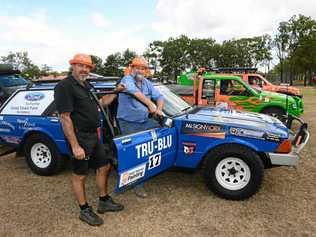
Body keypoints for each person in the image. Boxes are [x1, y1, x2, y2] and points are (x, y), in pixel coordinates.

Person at [54, 53, 124, 226]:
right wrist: (75, 145)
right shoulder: (64, 86)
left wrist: (116, 91)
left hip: (93, 135)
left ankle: (104, 201)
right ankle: (84, 210)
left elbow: (101, 104)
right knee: (80, 175)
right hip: (79, 136)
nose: (84, 69)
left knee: (104, 166)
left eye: (88, 67)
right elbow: (65, 117)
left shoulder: (87, 84)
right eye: (81, 65)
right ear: (73, 66)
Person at [117, 56, 164, 198]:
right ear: (132, 68)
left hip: (145, 120)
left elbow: (160, 96)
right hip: (129, 122)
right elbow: (135, 93)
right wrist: (150, 104)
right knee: (134, 153)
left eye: (143, 68)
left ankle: (151, 170)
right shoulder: (127, 80)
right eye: (137, 67)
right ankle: (137, 184)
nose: (140, 70)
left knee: (164, 130)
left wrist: (159, 109)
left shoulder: (147, 82)